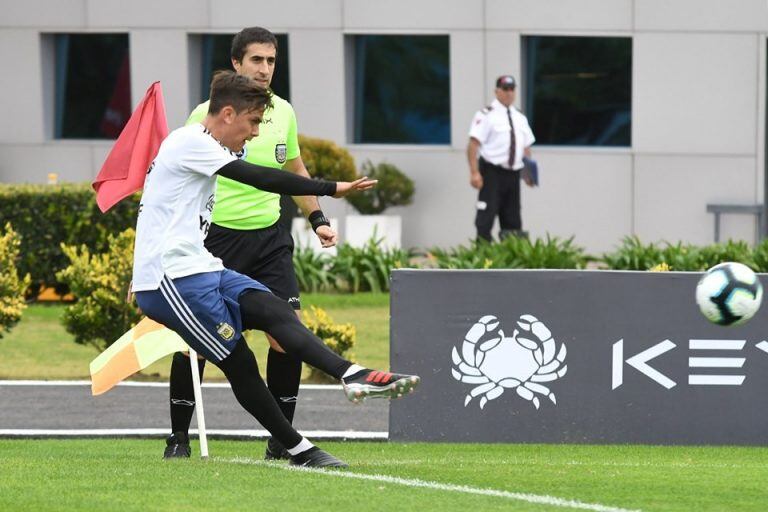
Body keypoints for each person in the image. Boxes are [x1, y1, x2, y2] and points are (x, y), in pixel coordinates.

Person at [134, 71, 420, 468]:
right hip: (168, 280)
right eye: (252, 123)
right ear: (228, 113)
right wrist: (330, 188)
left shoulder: (207, 145)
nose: (253, 134)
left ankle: (352, 374)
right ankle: (299, 449)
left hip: (201, 267)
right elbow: (257, 178)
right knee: (239, 361)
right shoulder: (189, 143)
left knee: (274, 311)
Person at [165, 27, 336, 461]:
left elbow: (293, 167)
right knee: (200, 340)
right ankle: (179, 438)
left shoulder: (284, 112)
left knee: (286, 335)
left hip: (271, 240)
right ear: (236, 64)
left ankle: (283, 440)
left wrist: (317, 218)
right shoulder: (206, 115)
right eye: (256, 60)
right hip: (217, 240)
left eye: (271, 61)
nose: (264, 69)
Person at [467, 75, 536, 242]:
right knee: (486, 217)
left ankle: (511, 260)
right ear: (497, 91)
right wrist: (474, 173)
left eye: (512, 89)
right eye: (505, 89)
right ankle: (483, 257)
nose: (509, 93)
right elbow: (473, 145)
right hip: (492, 172)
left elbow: (525, 147)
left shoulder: (519, 116)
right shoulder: (486, 114)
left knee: (513, 219)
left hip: (513, 174)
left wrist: (528, 173)